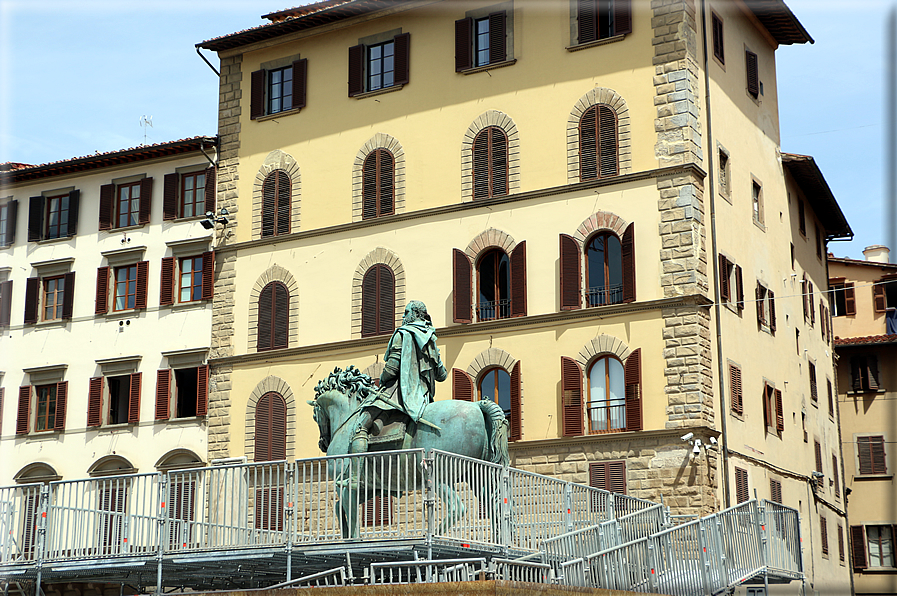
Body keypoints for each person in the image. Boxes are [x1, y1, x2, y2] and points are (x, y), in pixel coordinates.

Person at [350, 300, 447, 453]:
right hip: (424, 398)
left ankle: (354, 477)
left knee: (360, 427)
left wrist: (382, 379)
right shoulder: (431, 338)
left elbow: (392, 369)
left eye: (407, 312)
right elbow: (442, 375)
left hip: (398, 393)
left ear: (416, 314)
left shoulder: (402, 333)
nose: (403, 316)